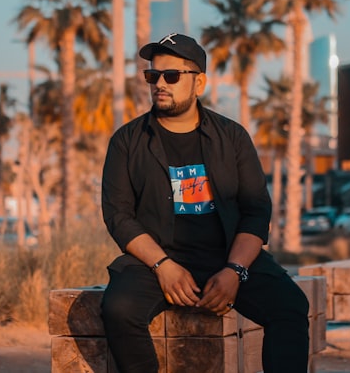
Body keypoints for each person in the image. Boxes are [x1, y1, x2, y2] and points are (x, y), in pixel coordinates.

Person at [100, 33, 310, 372]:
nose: (159, 84)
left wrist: (234, 271)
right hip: (156, 261)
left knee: (290, 305)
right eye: (153, 76)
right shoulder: (127, 141)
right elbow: (118, 216)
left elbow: (256, 211)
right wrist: (163, 266)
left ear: (199, 83)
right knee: (118, 308)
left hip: (226, 255)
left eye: (172, 76)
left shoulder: (232, 137)